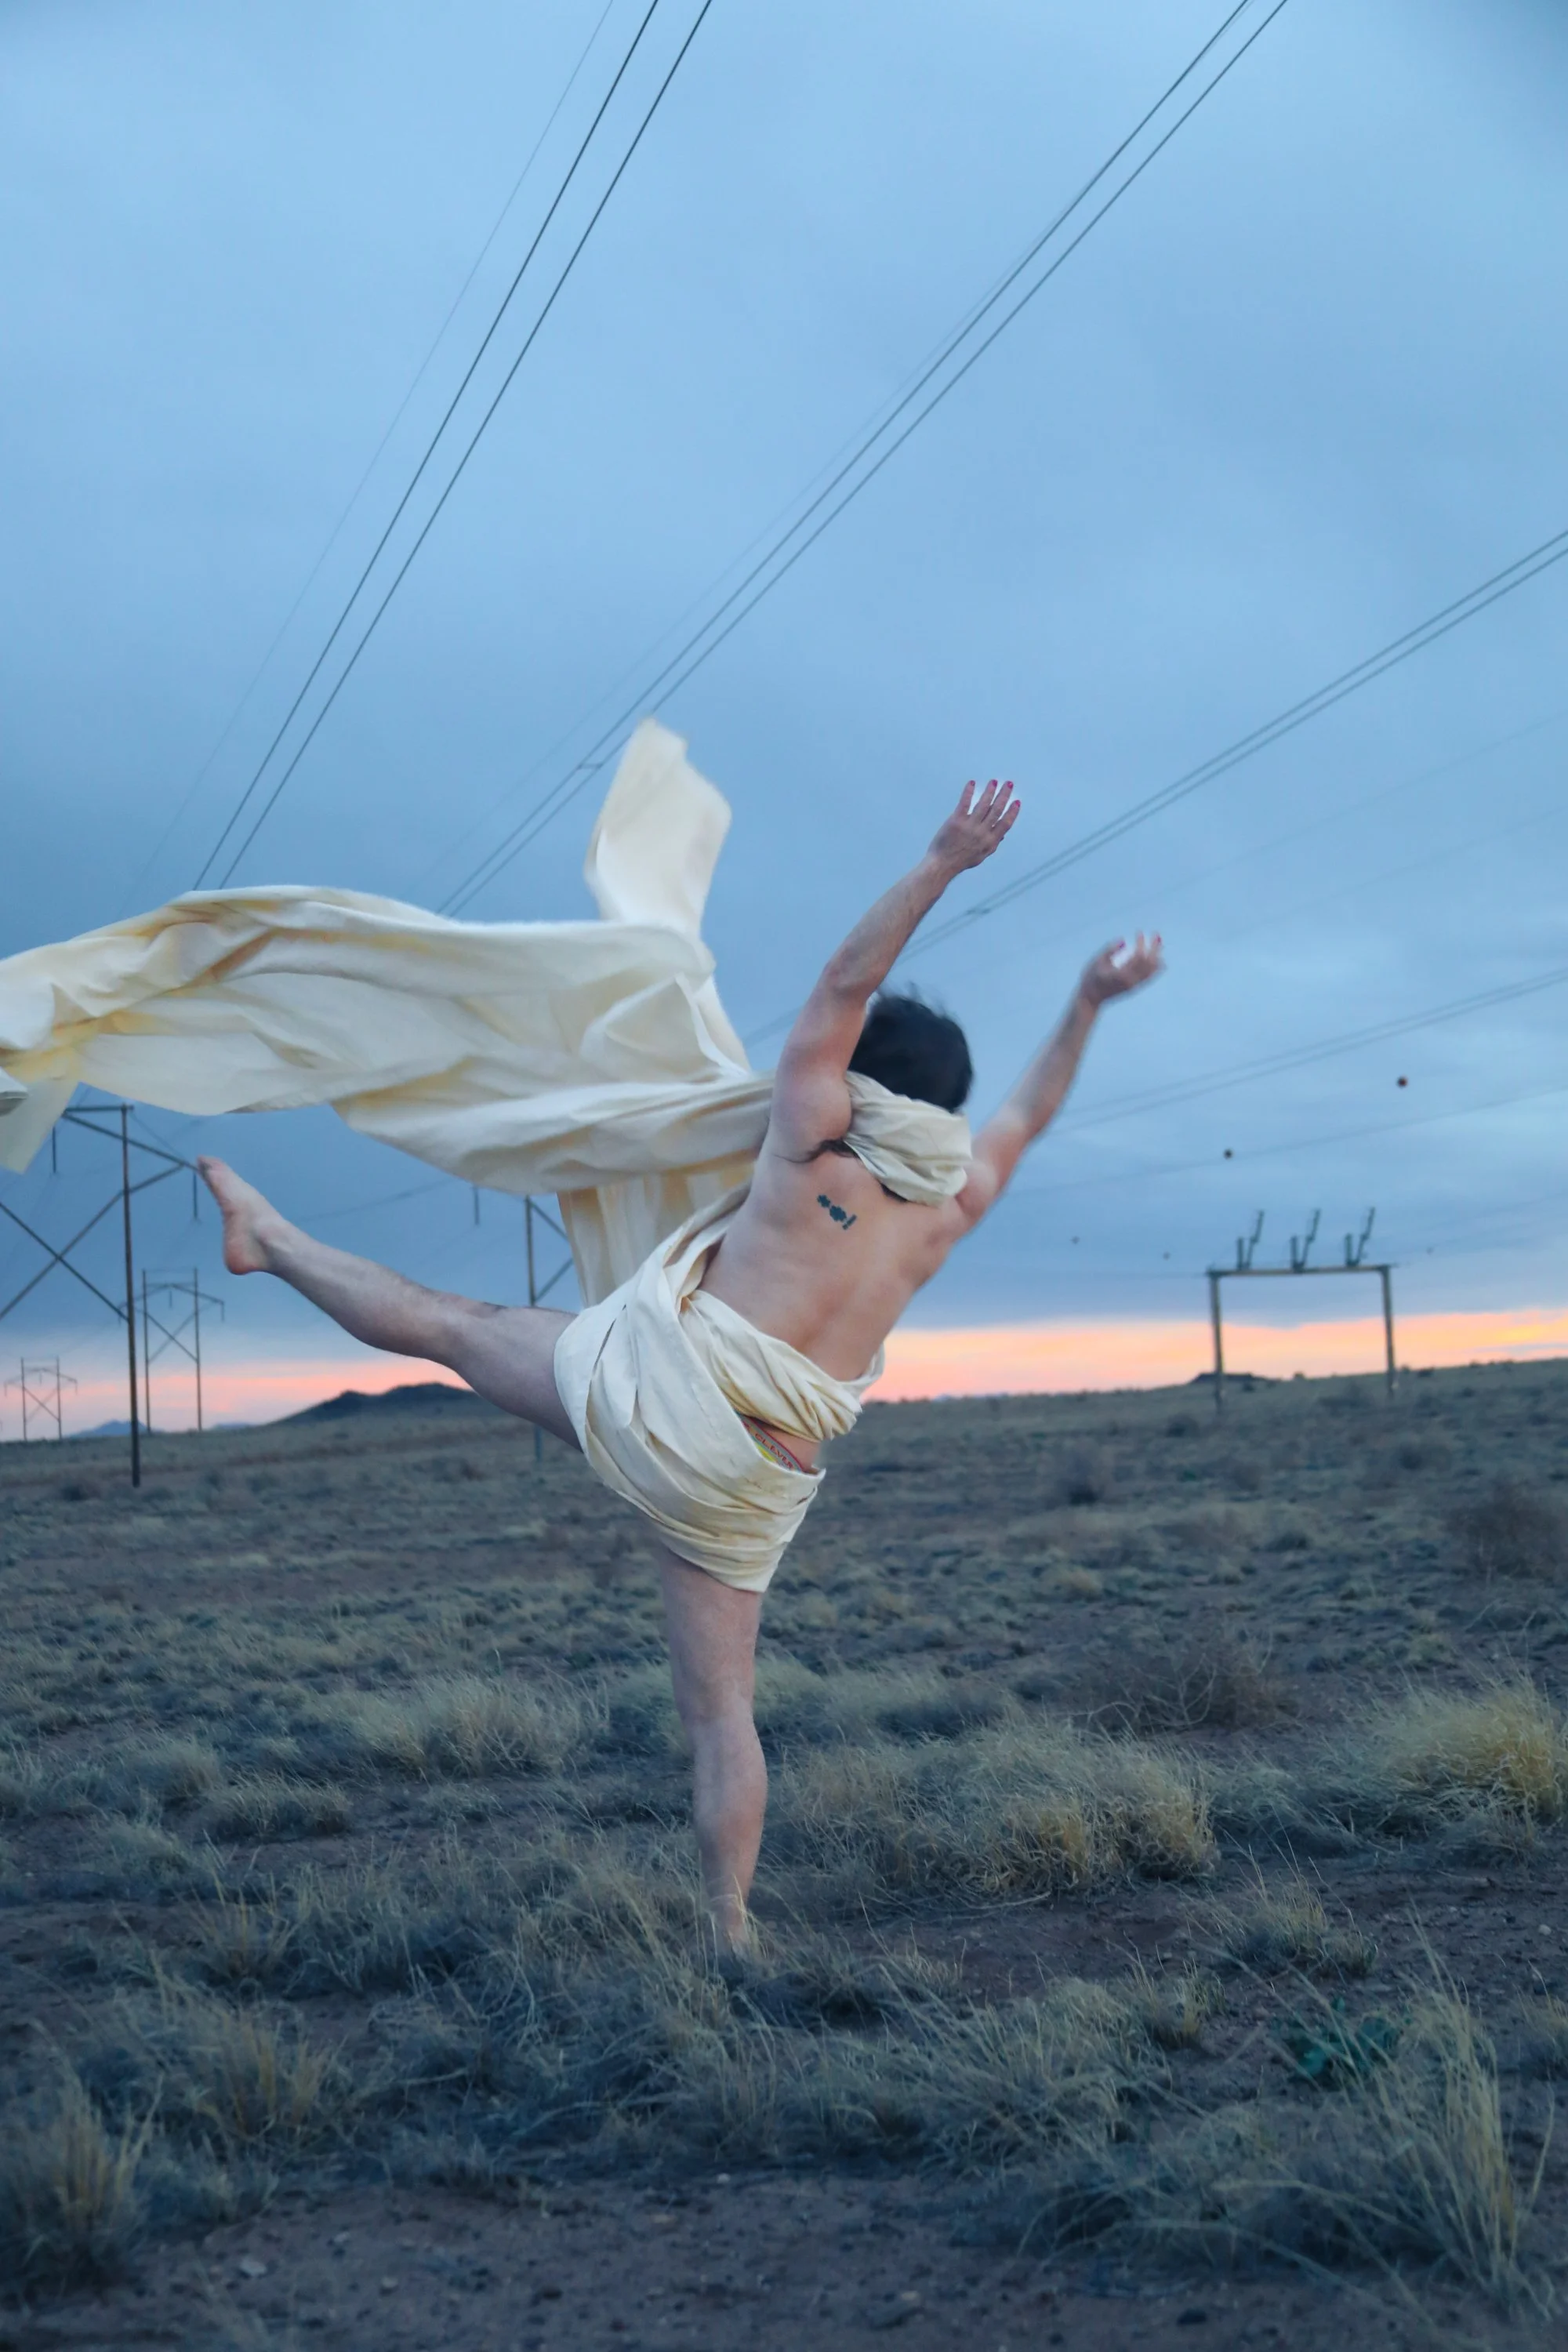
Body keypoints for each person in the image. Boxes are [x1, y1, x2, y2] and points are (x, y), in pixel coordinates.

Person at [198, 779, 1162, 1951]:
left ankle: (278, 1241)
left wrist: (942, 863)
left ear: (861, 1069)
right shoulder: (953, 1203)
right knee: (722, 1719)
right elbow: (1036, 1111)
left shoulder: (811, 1130)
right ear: (947, 1102)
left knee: (452, 1323)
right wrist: (1090, 998)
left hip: (662, 1403)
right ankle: (728, 1932)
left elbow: (842, 983)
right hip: (759, 1486)